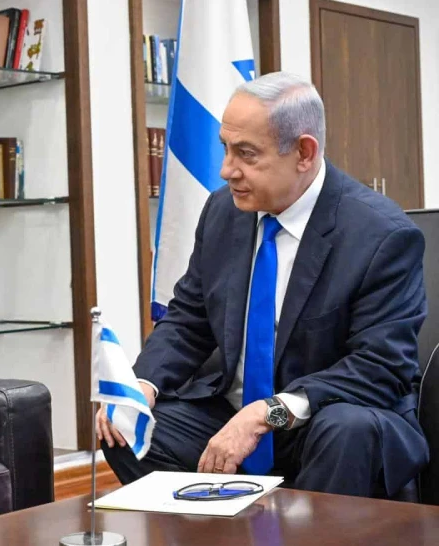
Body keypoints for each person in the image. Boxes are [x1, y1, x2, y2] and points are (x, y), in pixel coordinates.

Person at [98, 72, 428, 497]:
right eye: (225, 149)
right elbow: (188, 320)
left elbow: (380, 367)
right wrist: (141, 385)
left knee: (347, 429)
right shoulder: (223, 212)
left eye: (246, 154)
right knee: (127, 429)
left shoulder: (381, 235)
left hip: (323, 418)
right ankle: (220, 540)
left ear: (304, 153)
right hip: (229, 413)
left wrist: (266, 414)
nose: (225, 170)